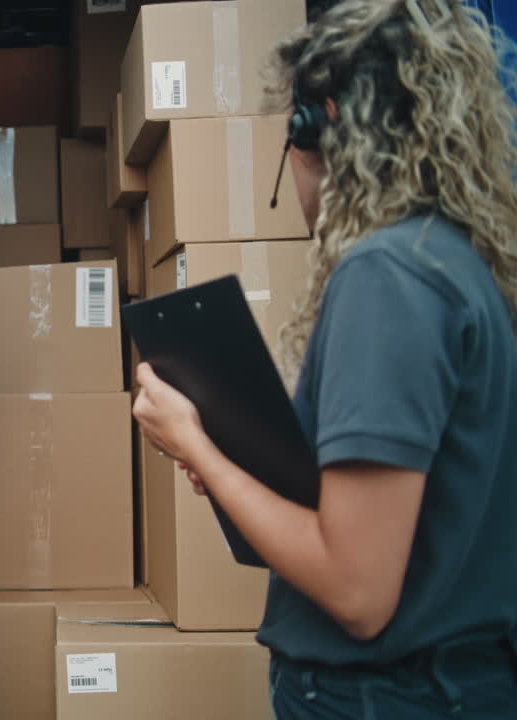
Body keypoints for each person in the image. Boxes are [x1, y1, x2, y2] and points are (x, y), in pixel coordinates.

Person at [132, 0, 517, 716]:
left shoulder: (388, 276)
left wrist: (196, 448)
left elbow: (357, 591)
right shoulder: (457, 264)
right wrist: (238, 464)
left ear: (323, 124)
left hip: (384, 694)